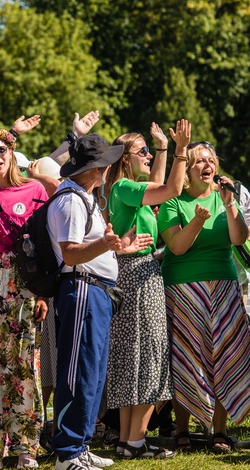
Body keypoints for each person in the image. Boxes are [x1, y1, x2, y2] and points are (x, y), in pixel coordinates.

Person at [158, 141, 250, 453]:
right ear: (187, 171)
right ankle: (182, 431)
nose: (207, 165)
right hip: (183, 289)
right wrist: (198, 220)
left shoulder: (225, 197)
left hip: (225, 287)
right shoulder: (173, 202)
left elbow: (239, 238)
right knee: (187, 358)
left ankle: (219, 430)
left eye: (210, 160)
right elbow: (176, 247)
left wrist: (230, 204)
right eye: (198, 161)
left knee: (224, 357)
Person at [103, 120, 191, 458]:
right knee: (149, 357)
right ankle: (135, 441)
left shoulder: (125, 188)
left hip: (130, 274)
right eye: (141, 152)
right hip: (138, 275)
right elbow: (171, 190)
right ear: (125, 158)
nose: (147, 157)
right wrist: (181, 149)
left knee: (134, 358)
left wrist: (162, 149)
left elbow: (158, 183)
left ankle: (129, 441)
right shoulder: (125, 187)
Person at [47, 134, 134, 470]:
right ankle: (68, 452)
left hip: (93, 290)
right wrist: (105, 245)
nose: (108, 168)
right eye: (105, 163)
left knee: (93, 372)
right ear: (95, 168)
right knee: (78, 372)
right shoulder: (70, 200)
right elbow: (70, 251)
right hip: (81, 289)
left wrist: (113, 246)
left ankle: (79, 445)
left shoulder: (83, 197)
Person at [0, 126, 48, 470]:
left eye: (2, 150)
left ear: (12, 152)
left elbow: (46, 244)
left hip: (26, 280)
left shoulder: (35, 189)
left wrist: (44, 292)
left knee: (25, 362)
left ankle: (27, 446)